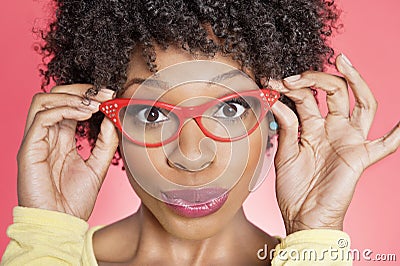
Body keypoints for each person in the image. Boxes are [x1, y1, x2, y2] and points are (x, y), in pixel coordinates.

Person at [1, 0, 399, 265]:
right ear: (110, 123)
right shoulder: (48, 255)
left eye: (231, 107)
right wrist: (47, 235)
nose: (191, 155)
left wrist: (315, 236)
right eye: (152, 113)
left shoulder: (315, 254)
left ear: (277, 113)